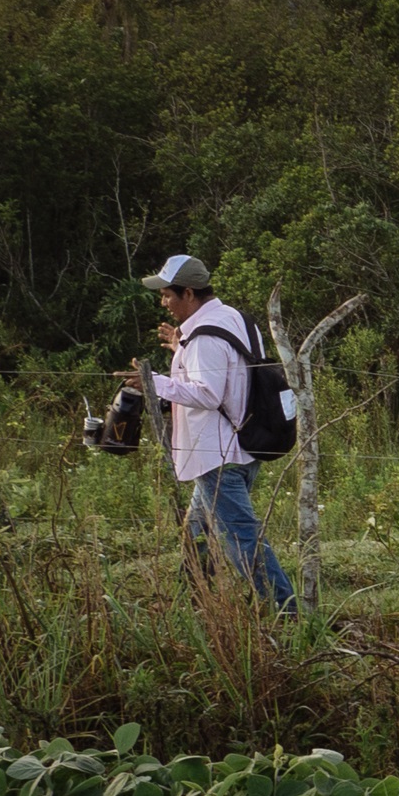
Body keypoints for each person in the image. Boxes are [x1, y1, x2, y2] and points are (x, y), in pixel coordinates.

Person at [126, 254, 294, 616]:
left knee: (241, 539)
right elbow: (232, 371)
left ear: (188, 293)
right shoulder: (234, 318)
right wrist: (180, 347)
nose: (164, 302)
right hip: (243, 447)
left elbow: (208, 393)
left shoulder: (203, 338)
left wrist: (153, 383)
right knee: (197, 532)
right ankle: (195, 600)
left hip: (217, 455)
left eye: (168, 295)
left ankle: (287, 612)